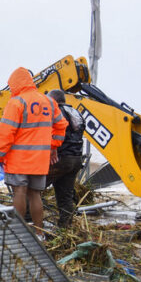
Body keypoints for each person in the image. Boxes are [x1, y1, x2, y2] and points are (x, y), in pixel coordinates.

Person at [0, 68, 67, 236]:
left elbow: (5, 133)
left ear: (16, 84)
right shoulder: (48, 102)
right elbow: (62, 125)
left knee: (19, 192)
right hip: (40, 159)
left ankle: (18, 233)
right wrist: (53, 145)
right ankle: (39, 234)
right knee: (35, 195)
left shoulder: (16, 102)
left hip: (19, 159)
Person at [46, 90, 85, 229]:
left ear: (53, 100)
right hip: (76, 159)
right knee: (65, 196)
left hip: (61, 159)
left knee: (33, 187)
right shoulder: (76, 112)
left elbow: (54, 132)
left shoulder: (57, 111)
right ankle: (65, 228)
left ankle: (28, 223)